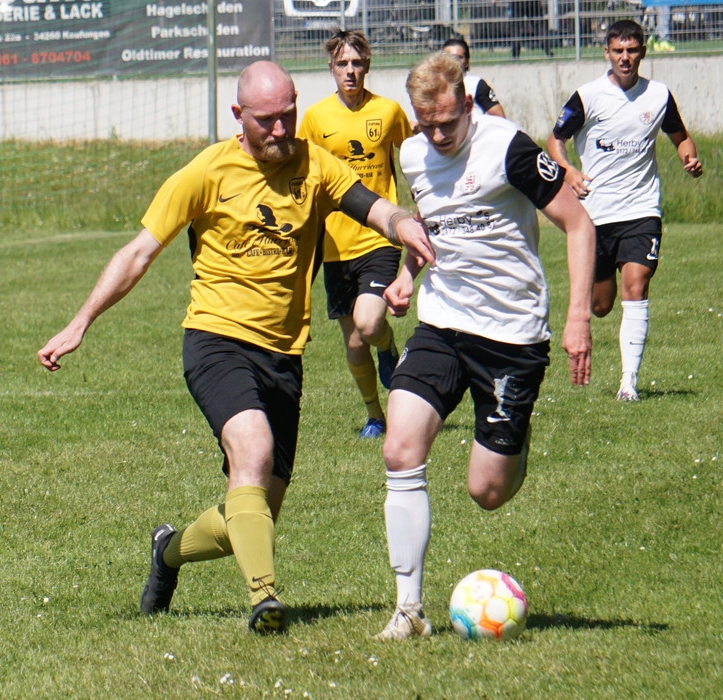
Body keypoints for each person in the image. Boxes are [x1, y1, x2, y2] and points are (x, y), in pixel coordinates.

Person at [36, 61, 434, 634]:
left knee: (254, 515)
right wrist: (81, 322)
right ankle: (264, 600)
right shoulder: (208, 171)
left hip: (284, 355)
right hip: (216, 340)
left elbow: (372, 206)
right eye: (267, 120)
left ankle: (168, 551)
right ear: (238, 116)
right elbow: (139, 252)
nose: (281, 130)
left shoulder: (314, 164)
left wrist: (402, 225)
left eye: (288, 115)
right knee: (253, 450)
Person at [374, 52, 595, 639]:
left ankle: (515, 441)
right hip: (442, 323)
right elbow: (430, 223)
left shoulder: (508, 148)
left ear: (468, 104)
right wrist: (407, 274)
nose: (438, 136)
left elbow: (579, 224)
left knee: (487, 491)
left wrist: (578, 318)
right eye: (426, 125)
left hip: (511, 335)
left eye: (448, 122)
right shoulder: (413, 154)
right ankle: (408, 610)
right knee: (400, 447)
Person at [546, 19, 702, 402]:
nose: (625, 57)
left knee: (637, 285)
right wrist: (568, 171)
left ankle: (628, 383)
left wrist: (689, 157)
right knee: (601, 305)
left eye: (632, 50)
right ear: (607, 53)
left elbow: (680, 137)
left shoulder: (658, 96)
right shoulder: (587, 97)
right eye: (618, 50)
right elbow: (554, 140)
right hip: (596, 216)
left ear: (643, 52)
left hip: (641, 209)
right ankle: (601, 305)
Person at [297, 31, 413, 440]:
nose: (350, 71)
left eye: (357, 63)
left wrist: (422, 204)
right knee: (353, 344)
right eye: (343, 64)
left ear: (368, 67)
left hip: (378, 238)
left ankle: (387, 345)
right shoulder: (315, 119)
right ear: (331, 68)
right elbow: (303, 176)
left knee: (369, 321)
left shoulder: (389, 110)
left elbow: (415, 157)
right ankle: (375, 416)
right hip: (334, 245)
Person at [441, 35, 507, 118]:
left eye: (458, 58)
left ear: (466, 62)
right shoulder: (433, 84)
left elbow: (500, 117)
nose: (452, 61)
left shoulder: (476, 84)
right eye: (448, 57)